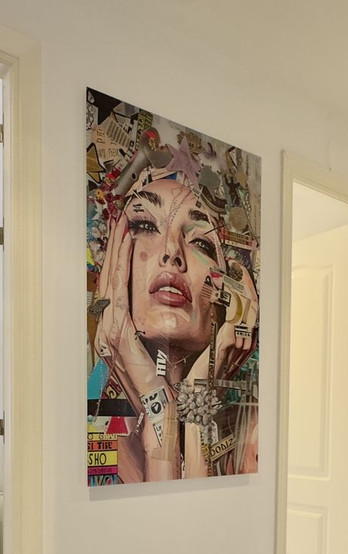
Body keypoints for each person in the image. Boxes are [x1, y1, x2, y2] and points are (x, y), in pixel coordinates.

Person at [92, 166, 259, 482]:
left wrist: (192, 413)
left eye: (200, 243)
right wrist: (162, 409)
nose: (172, 252)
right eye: (144, 226)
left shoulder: (253, 437)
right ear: (114, 263)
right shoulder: (80, 425)